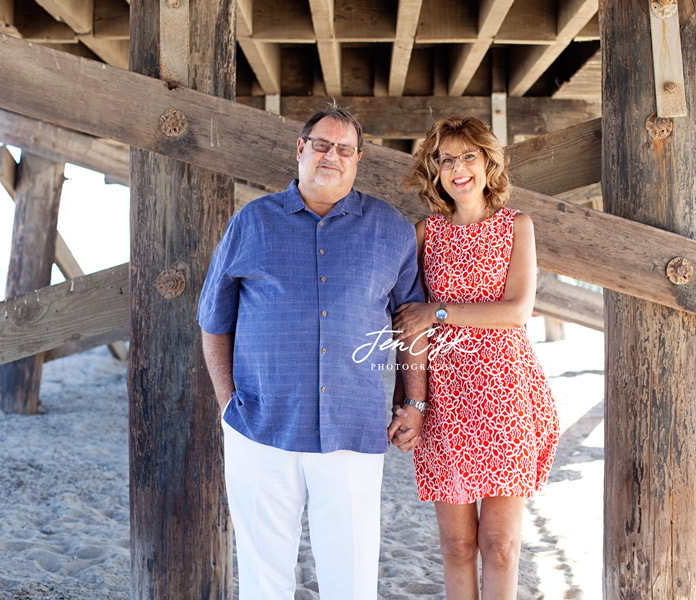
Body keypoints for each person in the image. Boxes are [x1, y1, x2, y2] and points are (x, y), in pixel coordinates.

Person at [197, 103, 428, 600]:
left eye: (344, 149)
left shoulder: (390, 229)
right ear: (301, 149)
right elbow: (213, 321)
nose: (332, 155)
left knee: (351, 579)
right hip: (261, 427)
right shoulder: (251, 223)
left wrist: (414, 401)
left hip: (353, 428)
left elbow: (411, 325)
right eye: (322, 144)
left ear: (358, 159)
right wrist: (226, 404)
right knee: (264, 578)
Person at [392, 116, 560, 599]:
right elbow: (409, 325)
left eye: (469, 156)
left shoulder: (517, 226)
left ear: (489, 163)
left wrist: (438, 312)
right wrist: (411, 402)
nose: (458, 168)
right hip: (447, 400)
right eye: (447, 159)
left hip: (507, 394)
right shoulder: (427, 232)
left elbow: (516, 312)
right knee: (456, 543)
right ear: (436, 169)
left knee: (501, 543)